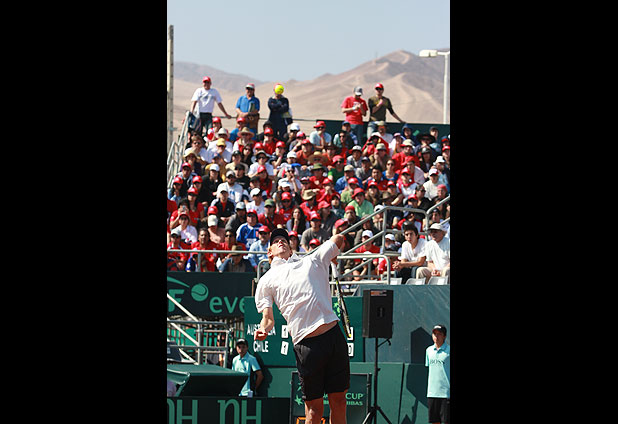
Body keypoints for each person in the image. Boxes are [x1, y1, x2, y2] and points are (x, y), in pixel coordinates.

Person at [254, 229, 349, 423]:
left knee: (339, 401)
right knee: (313, 410)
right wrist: (264, 329)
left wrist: (331, 252)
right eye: (276, 241)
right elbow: (268, 318)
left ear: (291, 248)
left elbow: (339, 239)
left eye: (284, 240)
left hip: (333, 337)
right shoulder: (266, 280)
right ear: (269, 252)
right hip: (306, 345)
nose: (281, 242)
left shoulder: (312, 260)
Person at [425, 324, 450, 424]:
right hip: (432, 393)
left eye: (439, 334)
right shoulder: (428, 350)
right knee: (435, 421)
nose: (436, 336)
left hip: (446, 394)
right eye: (434, 334)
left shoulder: (449, 351)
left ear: (444, 336)